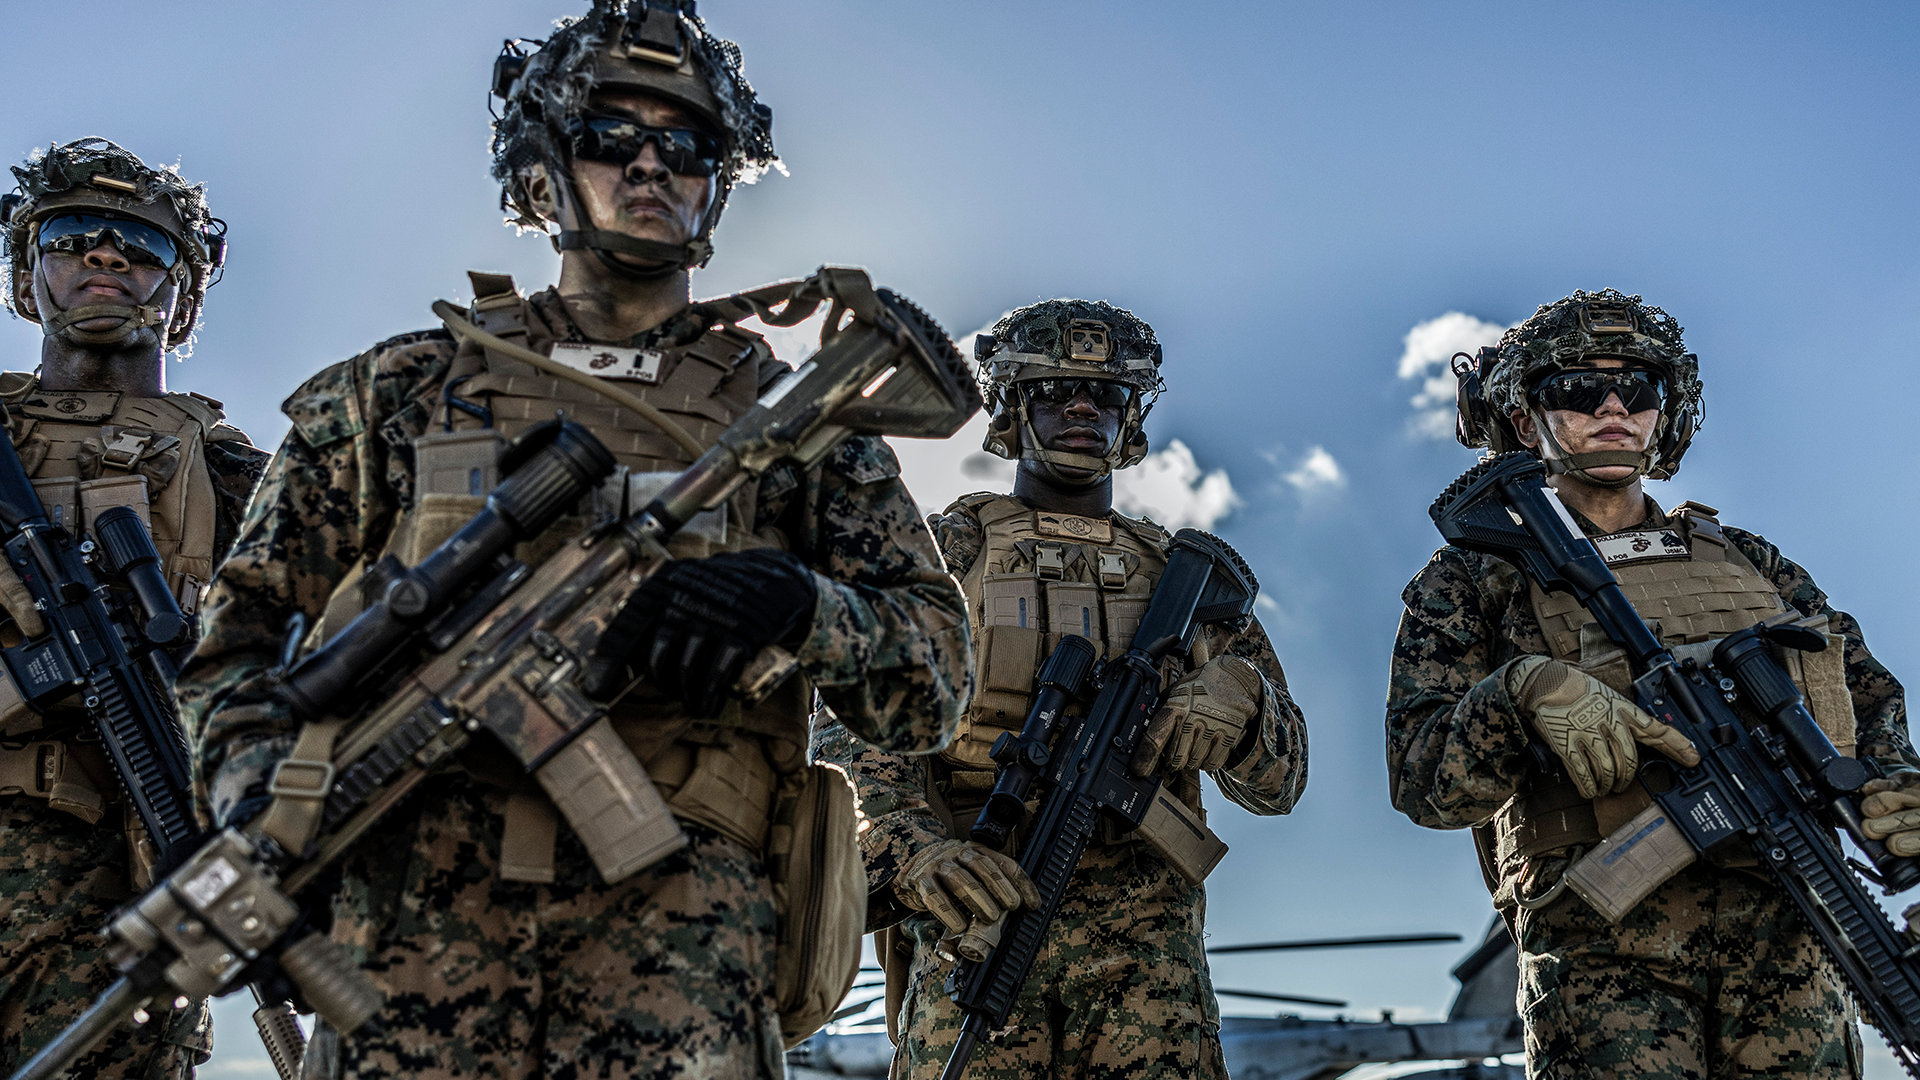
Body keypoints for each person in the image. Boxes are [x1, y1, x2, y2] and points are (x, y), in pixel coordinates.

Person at [175, 3, 968, 1078]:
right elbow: (239, 639)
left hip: (680, 962)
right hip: (405, 953)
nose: (651, 167)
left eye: (686, 146)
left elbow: (932, 684)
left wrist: (799, 609)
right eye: (610, 137)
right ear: (541, 176)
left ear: (717, 188)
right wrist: (260, 792)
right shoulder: (398, 390)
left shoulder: (798, 423)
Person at [1386, 288, 1914, 1078]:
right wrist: (1521, 693)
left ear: (1664, 414)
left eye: (1638, 389)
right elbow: (1423, 779)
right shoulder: (1474, 576)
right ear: (1526, 421)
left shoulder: (1752, 562)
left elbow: (1869, 707)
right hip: (1603, 964)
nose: (1612, 407)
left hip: (1795, 938)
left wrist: (1897, 785)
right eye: (1576, 389)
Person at [815, 299, 1308, 1079]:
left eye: (1106, 396)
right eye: (1052, 393)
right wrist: (915, 852)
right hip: (977, 917)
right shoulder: (944, 553)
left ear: (1132, 417)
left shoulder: (1184, 576)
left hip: (1148, 956)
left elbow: (1281, 783)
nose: (1083, 409)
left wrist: (1245, 707)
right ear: (1013, 409)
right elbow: (851, 740)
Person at [0, 137, 267, 1079]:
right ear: (28, 274)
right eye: (74, 234)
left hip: (117, 902)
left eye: (142, 246)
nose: (106, 256)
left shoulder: (241, 483)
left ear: (181, 295)